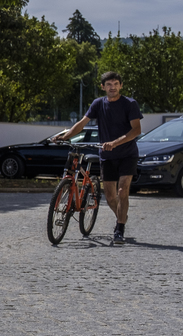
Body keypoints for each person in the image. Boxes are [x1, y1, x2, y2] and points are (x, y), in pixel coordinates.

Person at [54, 71, 142, 245]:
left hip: (127, 154)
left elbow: (136, 130)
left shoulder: (130, 104)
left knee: (122, 191)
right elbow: (81, 123)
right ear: (103, 87)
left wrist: (115, 143)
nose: (113, 87)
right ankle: (122, 216)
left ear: (121, 86)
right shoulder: (98, 104)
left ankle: (119, 229)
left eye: (116, 84)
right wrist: (65, 136)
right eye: (109, 84)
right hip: (107, 156)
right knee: (110, 197)